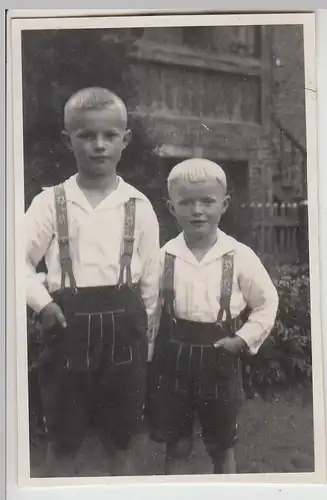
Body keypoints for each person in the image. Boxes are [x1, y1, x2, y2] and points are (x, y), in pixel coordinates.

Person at [25, 87, 160, 476]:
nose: (99, 145)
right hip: (67, 330)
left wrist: (145, 345)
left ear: (125, 141)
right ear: (69, 141)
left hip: (125, 336)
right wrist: (42, 303)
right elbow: (14, 261)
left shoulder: (138, 205)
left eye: (109, 136)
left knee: (121, 441)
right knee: (62, 442)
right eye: (87, 136)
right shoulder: (49, 203)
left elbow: (150, 282)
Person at [147, 158, 279, 475]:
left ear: (225, 204)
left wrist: (242, 339)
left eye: (207, 201)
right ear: (170, 206)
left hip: (219, 358)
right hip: (174, 359)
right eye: (186, 202)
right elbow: (149, 311)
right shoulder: (163, 256)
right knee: (176, 444)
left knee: (222, 446)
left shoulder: (239, 255)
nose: (197, 211)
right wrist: (148, 358)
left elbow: (267, 301)